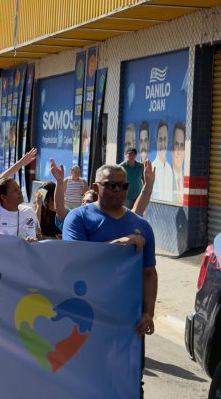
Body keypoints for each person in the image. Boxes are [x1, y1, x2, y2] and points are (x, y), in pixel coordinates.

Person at [62, 164, 157, 394]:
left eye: (123, 185)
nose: (117, 190)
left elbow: (149, 273)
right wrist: (118, 244)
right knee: (84, 379)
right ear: (96, 187)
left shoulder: (142, 226)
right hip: (85, 317)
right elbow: (75, 260)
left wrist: (148, 313)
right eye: (110, 185)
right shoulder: (78, 218)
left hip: (127, 321)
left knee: (131, 380)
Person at [151, 120, 174, 202]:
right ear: (156, 141)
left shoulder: (169, 169)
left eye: (165, 139)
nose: (163, 144)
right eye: (160, 140)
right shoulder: (152, 168)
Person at [172, 122, 186, 203]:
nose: (178, 151)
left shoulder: (186, 177)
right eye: (176, 144)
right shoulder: (167, 175)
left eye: (181, 145)